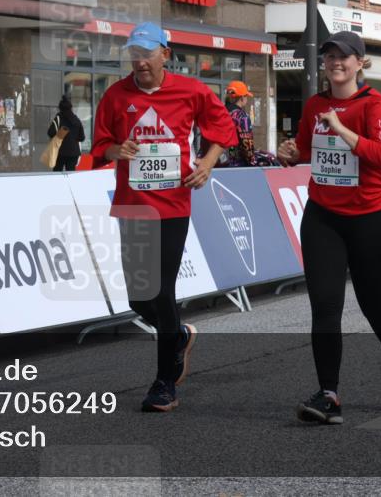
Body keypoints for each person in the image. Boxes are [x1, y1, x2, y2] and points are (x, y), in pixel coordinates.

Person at [91, 21, 236, 413]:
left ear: (165, 54)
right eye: (133, 55)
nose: (139, 63)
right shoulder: (116, 96)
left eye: (146, 54)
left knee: (161, 288)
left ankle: (164, 384)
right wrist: (115, 151)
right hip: (131, 204)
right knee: (139, 298)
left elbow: (224, 129)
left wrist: (206, 163)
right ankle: (179, 336)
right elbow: (99, 145)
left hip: (173, 205)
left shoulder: (192, 91)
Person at [276, 30, 381, 425]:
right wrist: (290, 153)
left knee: (373, 305)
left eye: (344, 56)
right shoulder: (315, 103)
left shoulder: (374, 104)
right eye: (330, 55)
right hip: (324, 217)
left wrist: (341, 127)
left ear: (360, 63)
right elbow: (304, 148)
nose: (336, 62)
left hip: (371, 219)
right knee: (325, 306)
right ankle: (328, 394)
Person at [46, 96, 85, 171]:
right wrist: (72, 137)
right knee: (70, 175)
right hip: (74, 153)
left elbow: (50, 133)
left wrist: (61, 135)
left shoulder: (58, 118)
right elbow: (82, 137)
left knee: (57, 173)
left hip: (60, 152)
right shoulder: (76, 119)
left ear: (60, 108)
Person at [223, 81, 256, 167]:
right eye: (246, 96)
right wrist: (252, 162)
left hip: (216, 161)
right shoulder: (241, 116)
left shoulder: (220, 112)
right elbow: (246, 143)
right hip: (236, 164)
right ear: (242, 98)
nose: (246, 100)